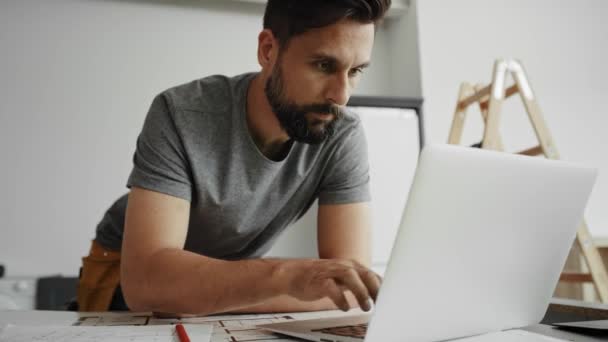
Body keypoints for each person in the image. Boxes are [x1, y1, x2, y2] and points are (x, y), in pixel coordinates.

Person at [77, 0, 391, 316]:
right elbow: (148, 284)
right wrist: (286, 277)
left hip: (229, 286)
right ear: (268, 50)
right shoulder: (181, 113)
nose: (341, 96)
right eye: (324, 65)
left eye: (356, 71)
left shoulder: (340, 132)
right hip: (121, 273)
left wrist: (219, 290)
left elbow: (351, 287)